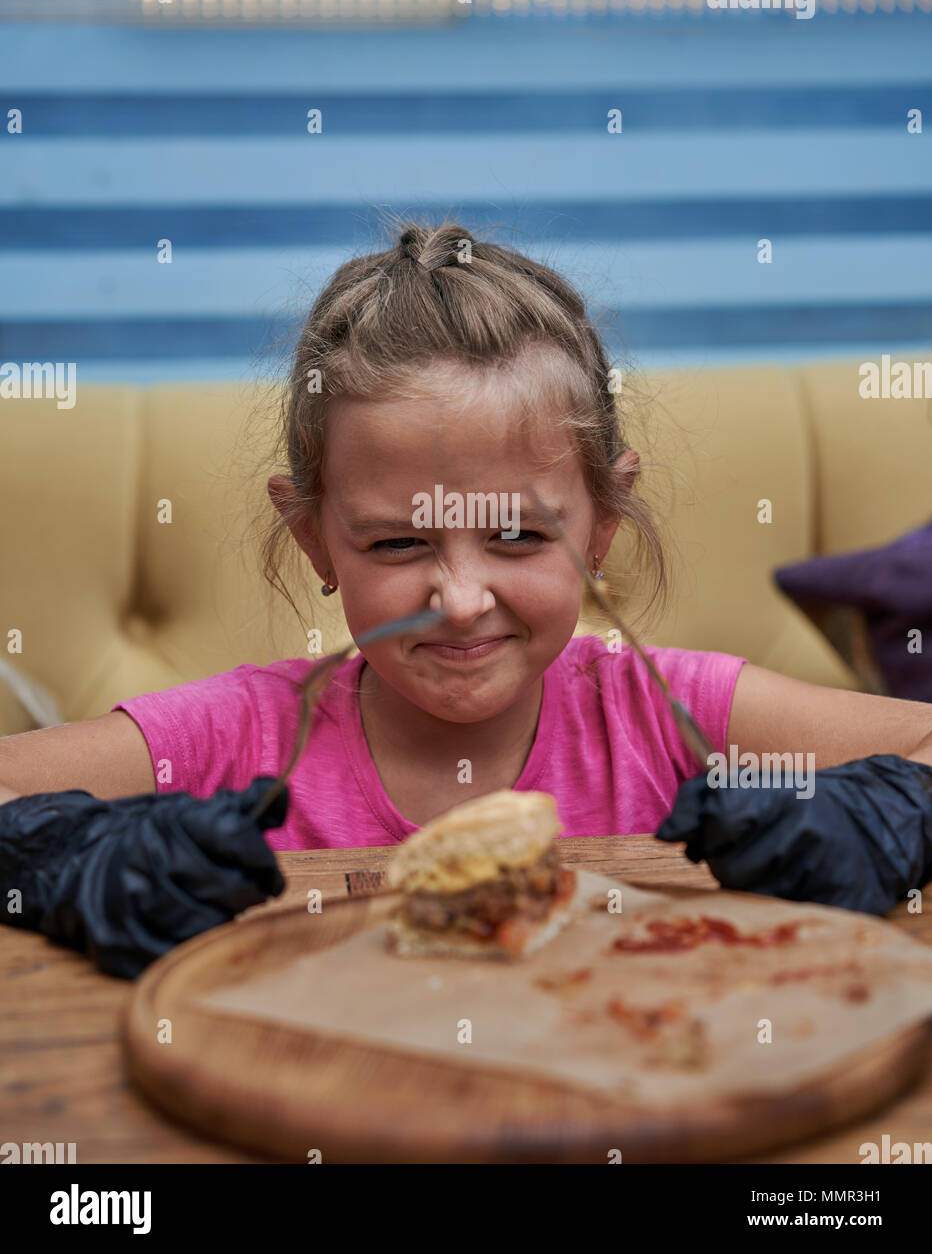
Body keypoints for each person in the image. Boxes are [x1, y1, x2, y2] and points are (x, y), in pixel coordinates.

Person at [1, 221, 930, 855]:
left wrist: (880, 816)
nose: (459, 600)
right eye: (397, 546)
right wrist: (71, 859)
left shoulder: (672, 717)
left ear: (603, 521)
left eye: (519, 536)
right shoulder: (235, 739)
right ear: (315, 540)